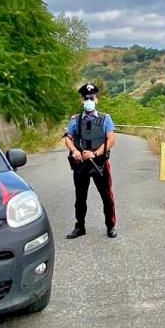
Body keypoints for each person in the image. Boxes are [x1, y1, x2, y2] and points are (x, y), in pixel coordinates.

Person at [63, 82, 118, 239]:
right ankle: (80, 227)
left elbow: (111, 139)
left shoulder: (105, 118)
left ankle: (110, 226)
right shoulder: (75, 119)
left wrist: (95, 153)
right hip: (81, 164)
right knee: (80, 197)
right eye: (86, 98)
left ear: (96, 99)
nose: (89, 100)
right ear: (82, 100)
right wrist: (74, 151)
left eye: (92, 97)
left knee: (107, 196)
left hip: (99, 164)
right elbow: (68, 138)